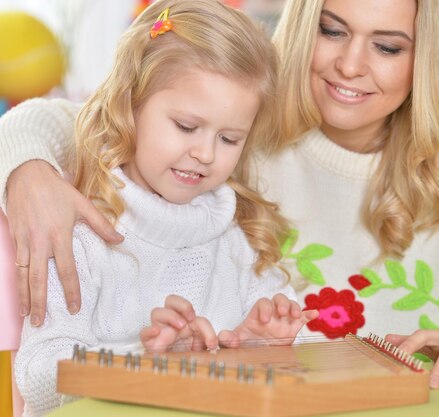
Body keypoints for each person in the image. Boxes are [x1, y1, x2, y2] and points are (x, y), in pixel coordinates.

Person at [0, 0, 439, 392]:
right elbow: (77, 121)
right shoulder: (246, 120)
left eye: (386, 46)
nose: (350, 65)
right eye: (332, 30)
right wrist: (27, 170)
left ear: (428, 57)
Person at [10, 1, 318, 416]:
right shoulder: (80, 229)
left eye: (229, 139)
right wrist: (145, 360)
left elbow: (297, 355)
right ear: (130, 103)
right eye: (187, 127)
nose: (206, 153)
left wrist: (257, 342)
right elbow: (38, 374)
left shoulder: (235, 235)